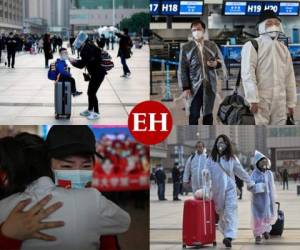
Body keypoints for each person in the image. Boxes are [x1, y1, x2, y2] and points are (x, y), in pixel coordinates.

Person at [0, 129, 130, 249]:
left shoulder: (97, 204)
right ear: (48, 163)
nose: (78, 174)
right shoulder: (94, 201)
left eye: (86, 165)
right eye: (67, 166)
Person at [241, 9, 297, 125]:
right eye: (269, 23)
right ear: (261, 26)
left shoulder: (283, 49)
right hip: (261, 101)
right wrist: (253, 100)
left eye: (276, 23)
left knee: (278, 134)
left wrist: (291, 103)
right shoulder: (252, 45)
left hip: (280, 102)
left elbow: (289, 77)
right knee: (260, 135)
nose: (273, 26)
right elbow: (248, 74)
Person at [205, 135, 255, 248]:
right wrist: (206, 188)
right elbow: (206, 175)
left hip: (230, 189)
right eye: (218, 142)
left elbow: (241, 172)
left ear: (227, 144)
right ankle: (226, 232)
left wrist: (249, 182)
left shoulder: (232, 158)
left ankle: (229, 237)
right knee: (222, 214)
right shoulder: (211, 159)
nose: (220, 144)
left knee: (230, 212)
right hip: (217, 192)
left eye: (223, 142)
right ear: (215, 144)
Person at [178, 20, 226, 125]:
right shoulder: (186, 47)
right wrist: (186, 87)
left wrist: (215, 64)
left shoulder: (211, 45)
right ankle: (192, 136)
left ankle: (209, 135)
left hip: (210, 85)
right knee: (194, 114)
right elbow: (182, 68)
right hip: (194, 87)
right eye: (194, 30)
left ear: (203, 30)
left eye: (198, 29)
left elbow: (219, 61)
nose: (196, 32)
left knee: (208, 114)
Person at [70, 31, 107, 120]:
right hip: (96, 73)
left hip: (98, 73)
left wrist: (73, 62)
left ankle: (96, 113)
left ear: (83, 40)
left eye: (79, 40)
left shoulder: (87, 49)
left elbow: (82, 64)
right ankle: (90, 110)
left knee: (91, 92)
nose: (78, 42)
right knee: (90, 92)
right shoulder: (89, 46)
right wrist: (75, 61)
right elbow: (86, 61)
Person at [250, 150, 276, 244]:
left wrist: (273, 198)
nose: (264, 164)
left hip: (267, 199)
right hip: (258, 201)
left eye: (265, 161)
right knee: (258, 218)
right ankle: (258, 235)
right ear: (257, 163)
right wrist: (258, 186)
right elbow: (250, 186)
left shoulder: (268, 173)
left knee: (267, 216)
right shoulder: (254, 174)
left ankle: (265, 231)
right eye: (261, 161)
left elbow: (272, 187)